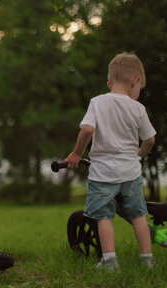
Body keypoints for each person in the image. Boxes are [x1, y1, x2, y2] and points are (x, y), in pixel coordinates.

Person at [65, 53, 156, 270]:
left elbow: (87, 129)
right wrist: (139, 155)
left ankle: (110, 260)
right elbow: (150, 139)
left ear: (109, 82)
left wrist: (77, 153)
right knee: (138, 215)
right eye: (139, 87)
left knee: (104, 216)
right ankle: (147, 259)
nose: (138, 92)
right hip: (131, 173)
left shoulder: (97, 102)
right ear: (135, 80)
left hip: (103, 173)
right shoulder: (138, 108)